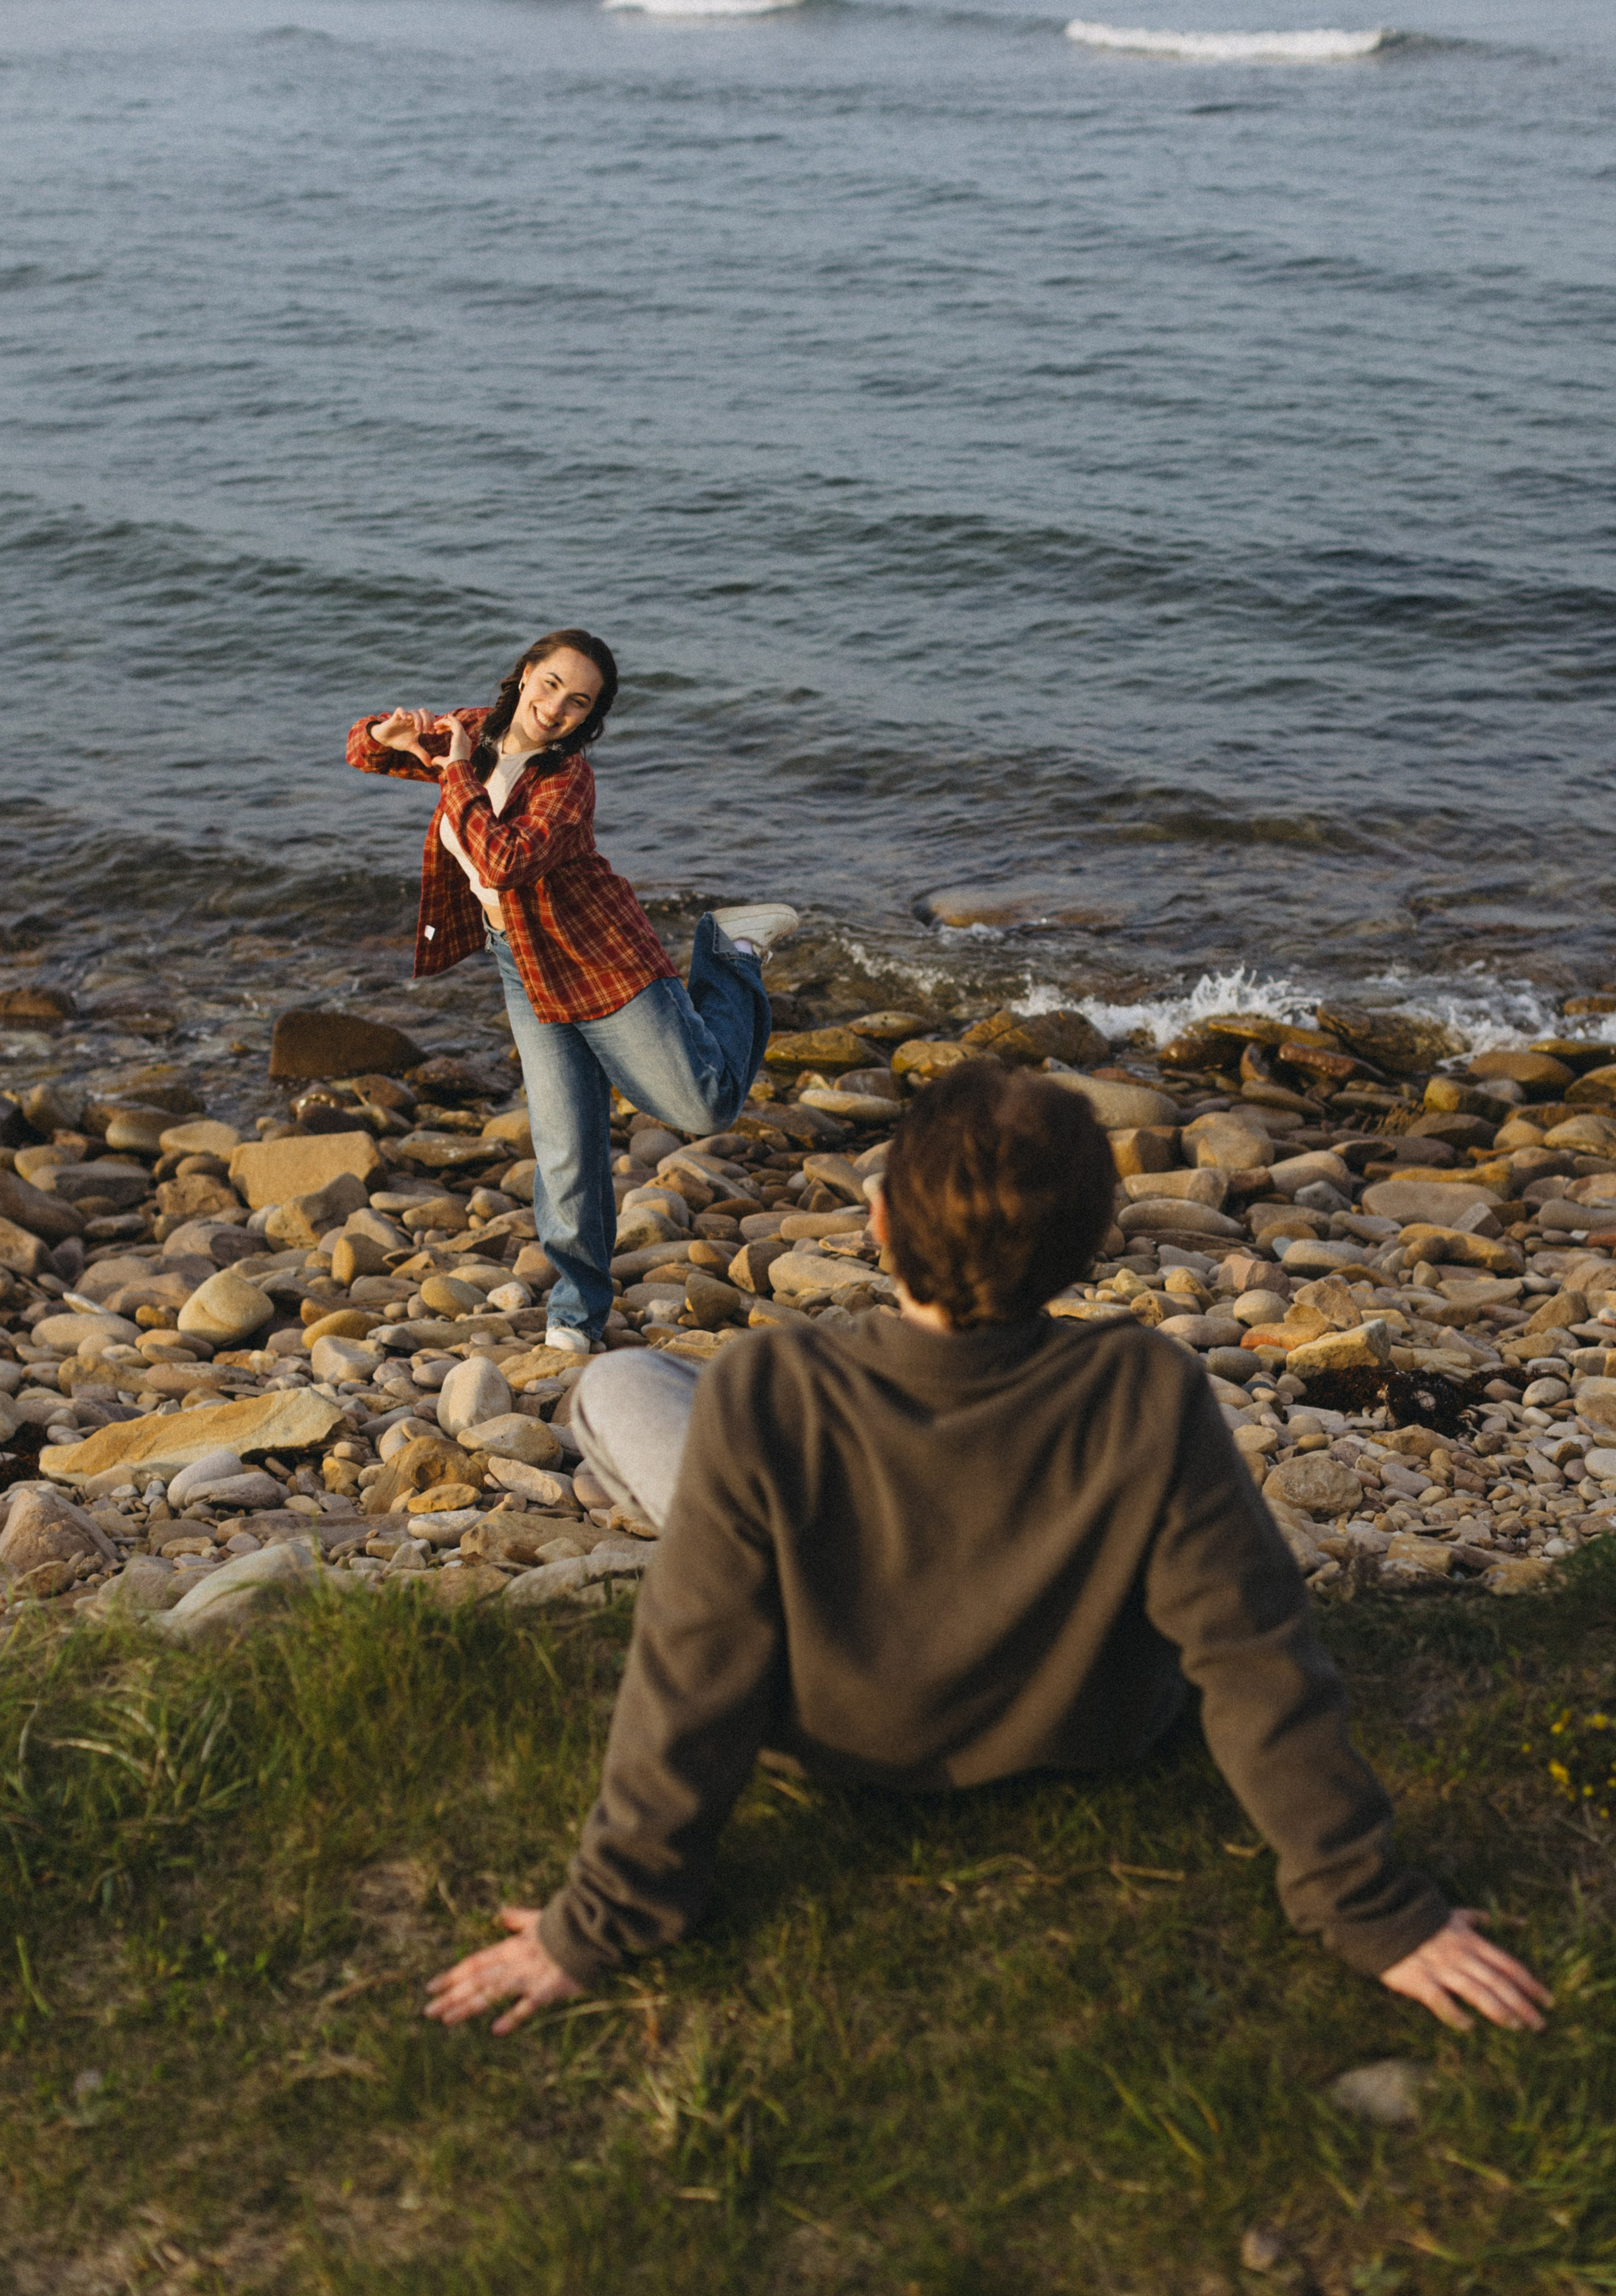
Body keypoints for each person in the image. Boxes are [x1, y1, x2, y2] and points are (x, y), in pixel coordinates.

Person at [424, 1062, 1551, 2039]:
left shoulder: (774, 1392)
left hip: (828, 1731)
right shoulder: (1146, 1390)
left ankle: (749, 1523)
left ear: (877, 1222)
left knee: (618, 1382)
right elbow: (1258, 1662)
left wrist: (601, 1922)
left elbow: (690, 1671)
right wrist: (1370, 1908)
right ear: (1085, 1249)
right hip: (1088, 1729)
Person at [347, 629, 797, 1352]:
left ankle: (726, 952)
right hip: (520, 964)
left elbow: (502, 860)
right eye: (550, 685)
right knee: (566, 1146)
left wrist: (457, 770)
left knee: (705, 1104)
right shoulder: (471, 735)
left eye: (577, 704)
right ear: (525, 676)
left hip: (600, 957)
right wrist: (389, 733)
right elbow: (362, 751)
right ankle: (576, 1314)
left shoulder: (566, 781)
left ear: (588, 721)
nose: (555, 709)